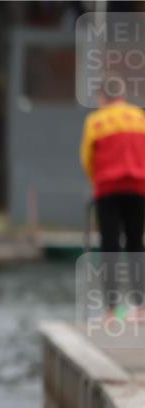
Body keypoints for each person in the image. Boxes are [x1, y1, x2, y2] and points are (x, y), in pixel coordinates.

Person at [80, 79, 145, 321]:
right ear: (123, 94)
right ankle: (141, 308)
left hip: (108, 190)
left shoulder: (96, 121)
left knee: (110, 247)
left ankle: (110, 311)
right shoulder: (139, 117)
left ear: (102, 97)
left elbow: (87, 158)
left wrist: (97, 181)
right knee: (136, 244)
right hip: (139, 188)